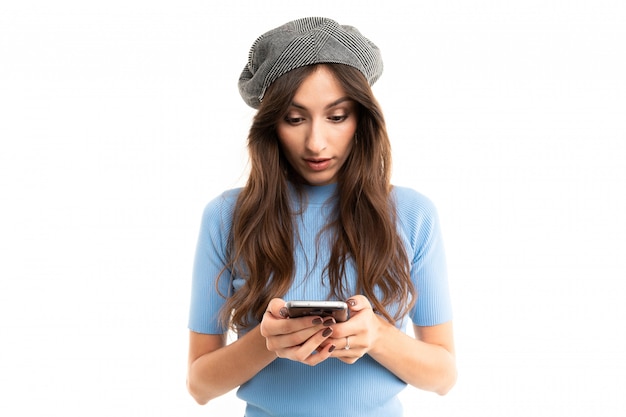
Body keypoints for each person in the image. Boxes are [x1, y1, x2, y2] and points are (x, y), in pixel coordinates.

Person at [187, 17, 456, 416]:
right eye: (295, 119)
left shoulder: (413, 214)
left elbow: (443, 376)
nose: (316, 142)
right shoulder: (226, 217)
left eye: (337, 116)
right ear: (271, 125)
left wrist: (377, 336)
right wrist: (267, 340)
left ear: (362, 120)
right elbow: (199, 385)